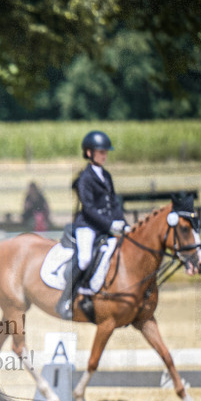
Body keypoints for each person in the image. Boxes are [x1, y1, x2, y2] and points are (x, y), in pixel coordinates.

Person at [57, 130, 128, 320]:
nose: (104, 155)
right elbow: (88, 209)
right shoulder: (84, 178)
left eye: (106, 152)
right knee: (85, 259)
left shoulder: (107, 175)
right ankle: (67, 298)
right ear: (89, 153)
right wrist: (110, 225)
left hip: (105, 226)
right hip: (87, 225)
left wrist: (124, 224)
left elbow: (113, 204)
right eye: (101, 152)